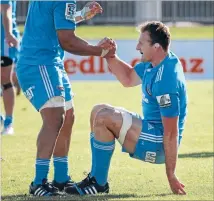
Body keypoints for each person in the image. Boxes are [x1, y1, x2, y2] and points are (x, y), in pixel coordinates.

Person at [65, 21, 188, 196]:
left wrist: (171, 175)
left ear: (157, 47)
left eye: (141, 43)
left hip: (160, 144)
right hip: (151, 132)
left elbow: (170, 133)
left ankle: (98, 183)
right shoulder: (155, 62)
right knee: (97, 110)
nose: (137, 46)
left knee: (104, 117)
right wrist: (109, 55)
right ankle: (96, 179)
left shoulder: (166, 79)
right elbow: (128, 78)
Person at [16, 1, 115, 197]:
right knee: (55, 118)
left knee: (68, 117)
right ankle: (38, 182)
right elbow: (67, 41)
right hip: (39, 64)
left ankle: (61, 178)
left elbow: (58, 20)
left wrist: (82, 14)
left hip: (51, 63)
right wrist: (99, 51)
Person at [0, 0, 20, 135]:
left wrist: (8, 34)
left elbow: (6, 8)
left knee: (5, 80)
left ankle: (8, 123)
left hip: (3, 41)